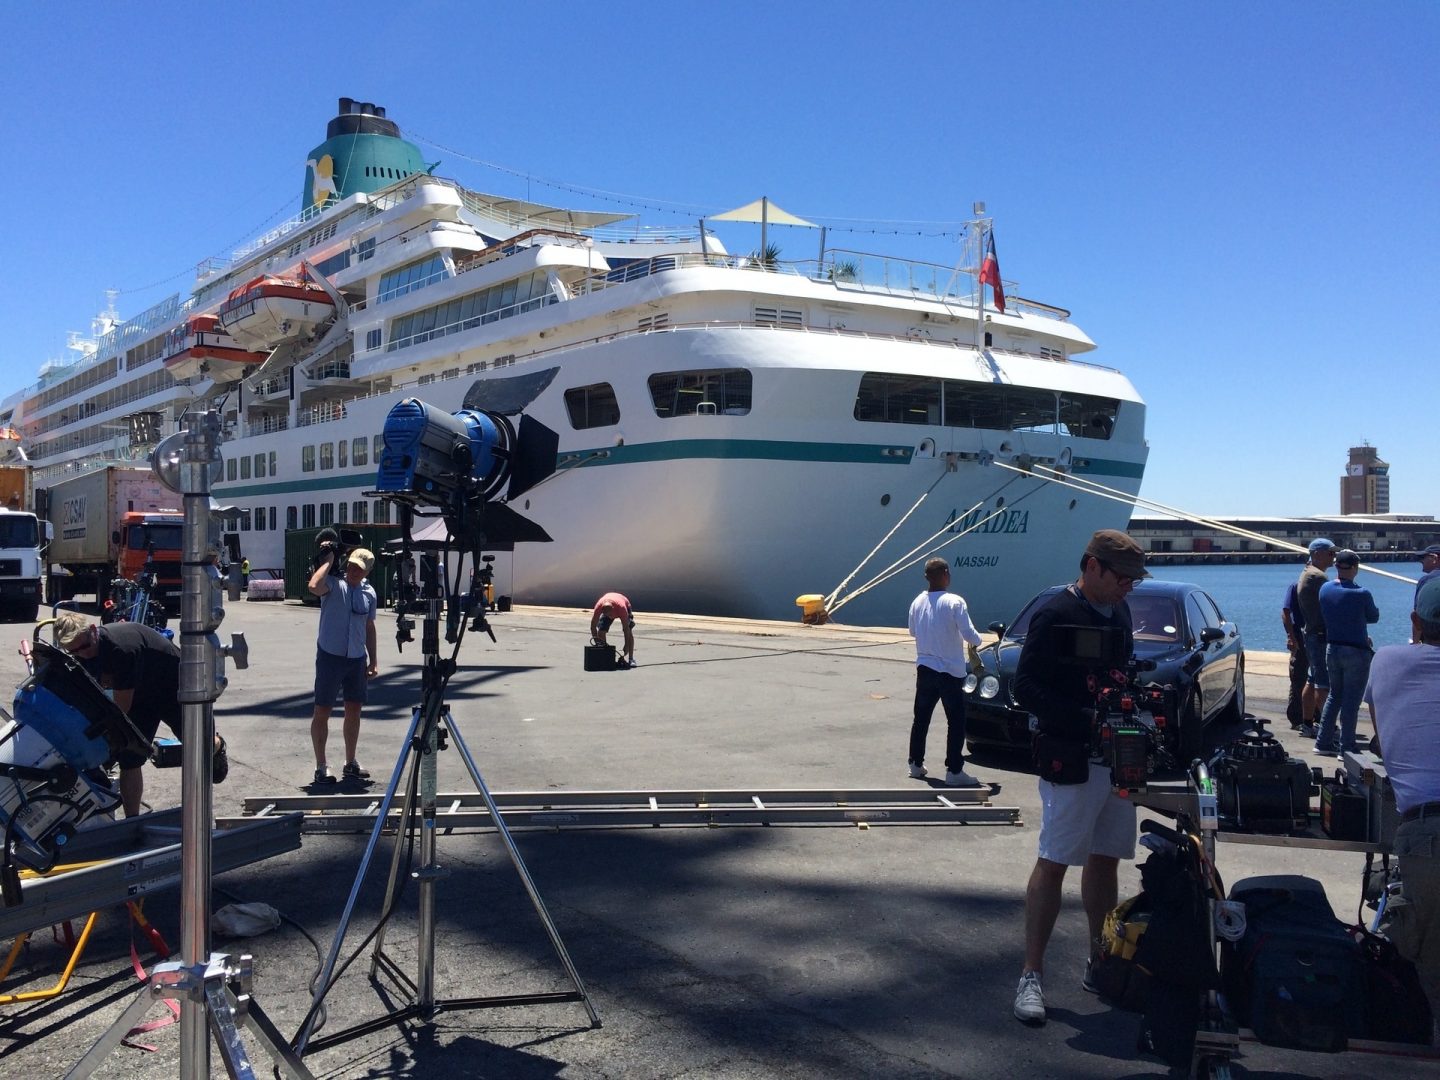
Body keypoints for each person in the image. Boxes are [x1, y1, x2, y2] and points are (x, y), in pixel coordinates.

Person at [1011, 529, 1146, 1024]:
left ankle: (1099, 960)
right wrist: (1084, 718)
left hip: (1116, 758)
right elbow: (1025, 686)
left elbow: (1120, 673)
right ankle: (1031, 974)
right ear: (1092, 566)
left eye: (1133, 580)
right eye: (1123, 578)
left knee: (1106, 859)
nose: (1128, 588)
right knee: (1054, 861)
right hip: (1070, 759)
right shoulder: (1054, 613)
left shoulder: (1122, 612)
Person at [53, 612, 228, 817]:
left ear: (93, 630)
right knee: (130, 758)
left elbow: (120, 710)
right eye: (74, 652)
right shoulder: (84, 651)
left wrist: (97, 734)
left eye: (84, 647)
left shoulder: (121, 649)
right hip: (140, 693)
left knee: (199, 746)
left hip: (175, 688)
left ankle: (216, 745)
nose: (82, 654)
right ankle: (132, 820)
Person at [1363, 576, 1440, 1036]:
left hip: (1424, 836)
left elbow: (1382, 738)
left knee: (1429, 977)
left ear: (1415, 621)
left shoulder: (1387, 661)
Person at [906, 557, 985, 787]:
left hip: (925, 668)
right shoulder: (954, 601)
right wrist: (977, 641)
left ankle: (915, 764)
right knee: (956, 721)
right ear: (945, 574)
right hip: (950, 671)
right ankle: (954, 770)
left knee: (921, 719)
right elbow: (970, 634)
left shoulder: (917, 602)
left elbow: (912, 631)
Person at [309, 545, 378, 784]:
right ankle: (321, 766)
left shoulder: (369, 593)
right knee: (322, 711)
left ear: (367, 571)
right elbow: (313, 587)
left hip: (357, 659)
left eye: (359, 568)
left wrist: (374, 660)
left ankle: (350, 762)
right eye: (350, 565)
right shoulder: (333, 584)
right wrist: (328, 561)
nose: (353, 570)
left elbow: (369, 627)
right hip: (330, 657)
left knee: (353, 711)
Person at [1314, 549, 1379, 757]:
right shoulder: (1362, 593)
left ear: (1336, 567)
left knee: (1334, 695)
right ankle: (1347, 747)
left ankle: (1323, 742)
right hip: (1356, 650)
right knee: (1351, 700)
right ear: (1354, 568)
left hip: (1332, 648)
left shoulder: (1325, 589)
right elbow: (1374, 616)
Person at [1295, 538, 1335, 731]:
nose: (1333, 557)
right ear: (1317, 553)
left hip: (1311, 632)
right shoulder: (1318, 577)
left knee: (1312, 679)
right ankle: (1328, 727)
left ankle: (1307, 722)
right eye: (1330, 553)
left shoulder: (1306, 573)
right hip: (1319, 635)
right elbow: (1333, 604)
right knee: (1322, 682)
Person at [1281, 578, 1312, 735]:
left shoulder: (1322, 585)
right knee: (1298, 677)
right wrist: (1291, 637)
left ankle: (1314, 716)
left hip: (1316, 636)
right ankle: (1296, 718)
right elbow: (1285, 611)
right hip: (1300, 635)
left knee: (1316, 679)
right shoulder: (1295, 586)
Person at [591, 592, 635, 667]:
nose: (610, 617)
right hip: (608, 602)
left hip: (624, 602)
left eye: (610, 614)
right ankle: (605, 657)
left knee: (629, 631)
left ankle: (631, 659)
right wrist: (597, 643)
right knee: (601, 631)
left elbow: (625, 629)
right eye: (607, 615)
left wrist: (626, 645)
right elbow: (593, 626)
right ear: (602, 611)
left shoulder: (621, 608)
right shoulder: (598, 607)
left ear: (613, 609)